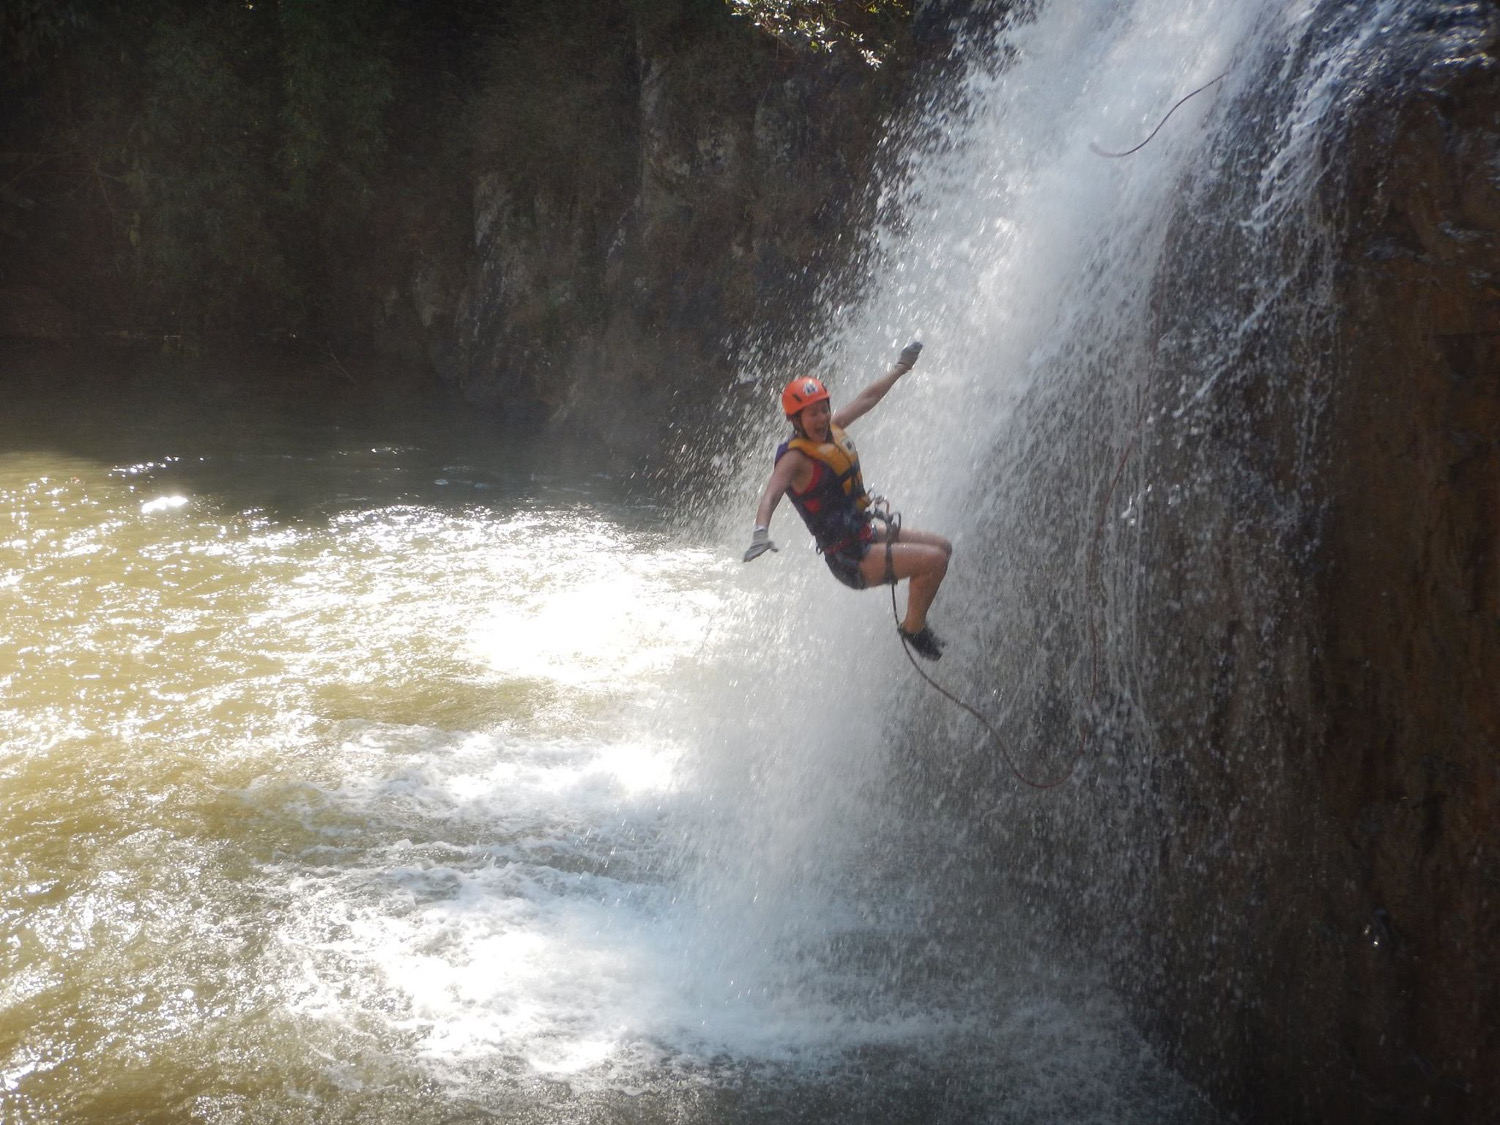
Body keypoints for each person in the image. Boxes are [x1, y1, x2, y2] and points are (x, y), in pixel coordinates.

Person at [742, 341, 953, 660]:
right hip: (849, 558)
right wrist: (761, 530)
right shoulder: (795, 459)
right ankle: (913, 627)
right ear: (796, 420)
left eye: (824, 409)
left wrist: (900, 368)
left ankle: (917, 617)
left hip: (865, 532)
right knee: (935, 561)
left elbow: (867, 398)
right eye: (812, 414)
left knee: (944, 547)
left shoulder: (834, 429)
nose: (821, 418)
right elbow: (771, 493)